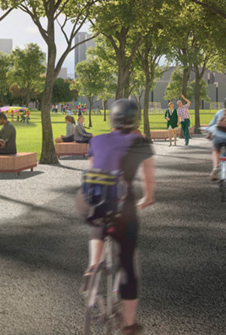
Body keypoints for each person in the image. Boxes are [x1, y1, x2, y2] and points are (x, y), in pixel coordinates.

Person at [83, 98, 157, 335]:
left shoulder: (96, 140)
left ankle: (93, 266)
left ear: (112, 119)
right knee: (126, 263)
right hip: (123, 207)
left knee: (98, 221)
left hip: (91, 201)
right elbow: (149, 178)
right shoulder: (141, 143)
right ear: (136, 120)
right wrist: (148, 197)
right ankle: (129, 325)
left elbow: (95, 171)